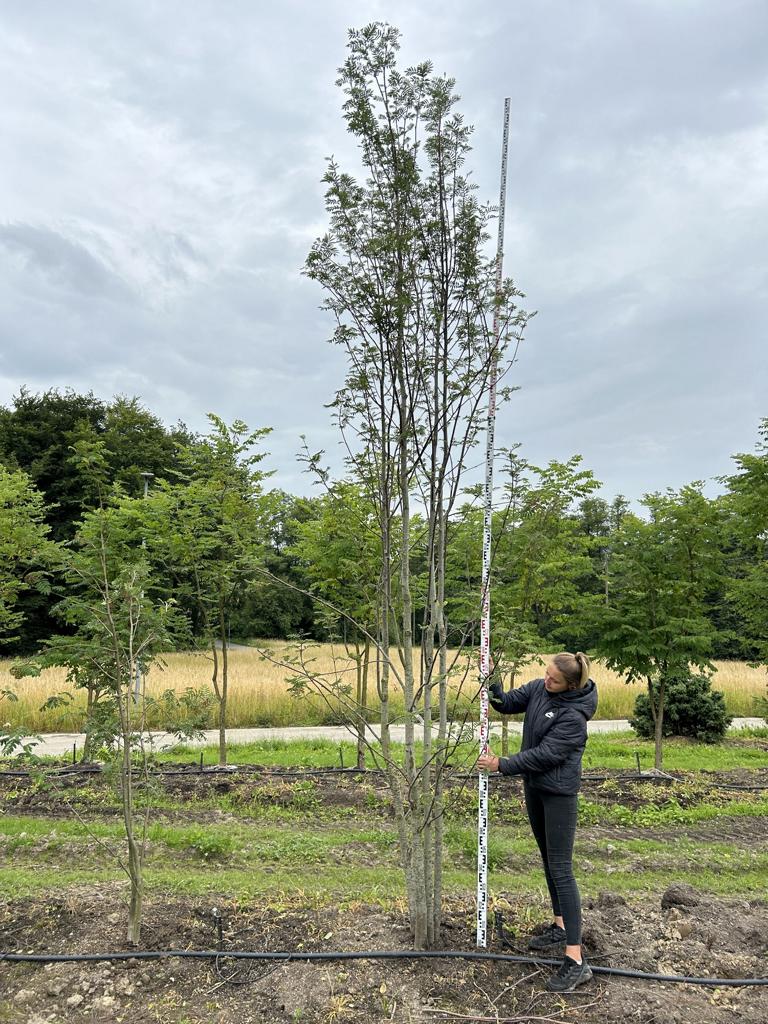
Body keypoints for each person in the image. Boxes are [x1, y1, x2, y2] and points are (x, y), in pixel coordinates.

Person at [477, 652, 598, 993]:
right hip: (534, 788)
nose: (546, 681)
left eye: (554, 680)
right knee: (548, 860)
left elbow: (545, 754)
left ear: (570, 685)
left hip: (558, 795)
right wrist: (491, 677)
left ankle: (576, 959)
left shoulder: (574, 716)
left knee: (561, 869)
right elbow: (504, 702)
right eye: (545, 675)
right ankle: (560, 926)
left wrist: (503, 763)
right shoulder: (539, 689)